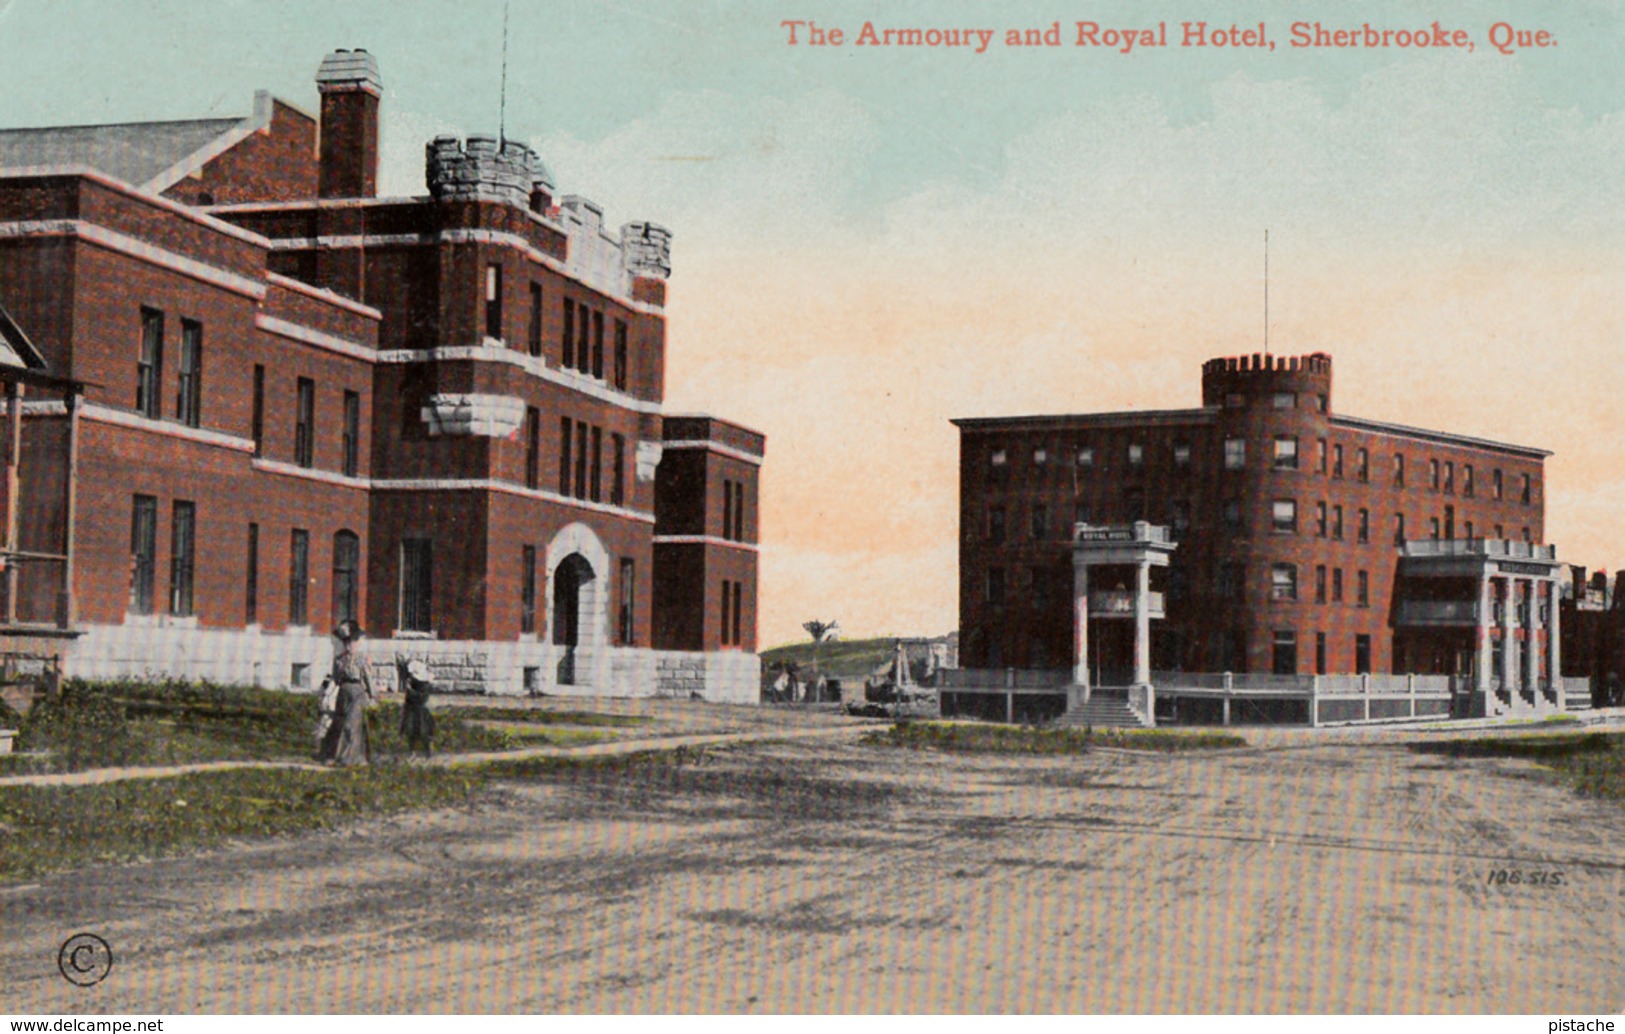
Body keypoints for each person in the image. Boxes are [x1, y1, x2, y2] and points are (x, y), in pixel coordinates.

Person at [318, 620, 373, 766]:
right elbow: (335, 678)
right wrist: (326, 691)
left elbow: (368, 678)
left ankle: (350, 758)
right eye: (346, 642)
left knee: (352, 724)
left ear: (358, 642)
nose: (349, 645)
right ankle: (337, 755)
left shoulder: (362, 658)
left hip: (357, 694)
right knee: (340, 724)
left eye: (352, 642)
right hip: (343, 694)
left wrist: (372, 696)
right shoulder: (339, 659)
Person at [397, 657, 436, 758]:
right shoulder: (414, 685)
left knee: (424, 732)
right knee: (411, 733)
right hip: (411, 712)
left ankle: (427, 751)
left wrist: (410, 691)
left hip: (420, 714)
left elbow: (420, 698)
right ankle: (412, 752)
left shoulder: (424, 687)